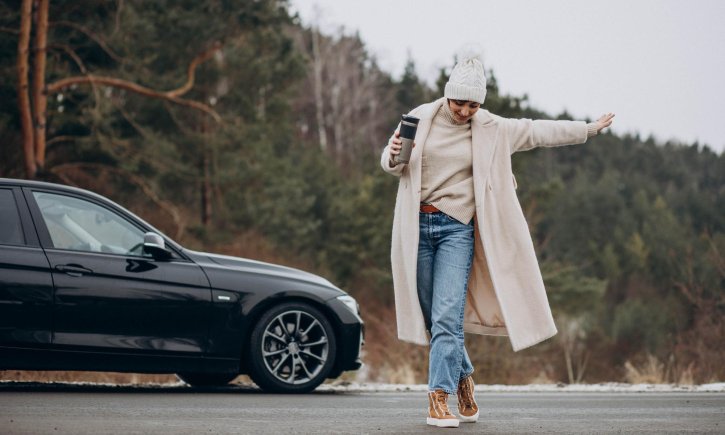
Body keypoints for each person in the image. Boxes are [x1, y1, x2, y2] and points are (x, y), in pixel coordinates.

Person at [380, 57, 614, 428]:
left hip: (457, 229)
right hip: (417, 227)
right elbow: (393, 165)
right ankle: (463, 376)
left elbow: (536, 131)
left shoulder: (492, 127)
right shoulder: (419, 118)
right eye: (460, 102)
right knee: (431, 316)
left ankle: (438, 397)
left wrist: (587, 129)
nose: (465, 111)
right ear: (448, 95)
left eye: (473, 105)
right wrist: (392, 154)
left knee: (446, 316)